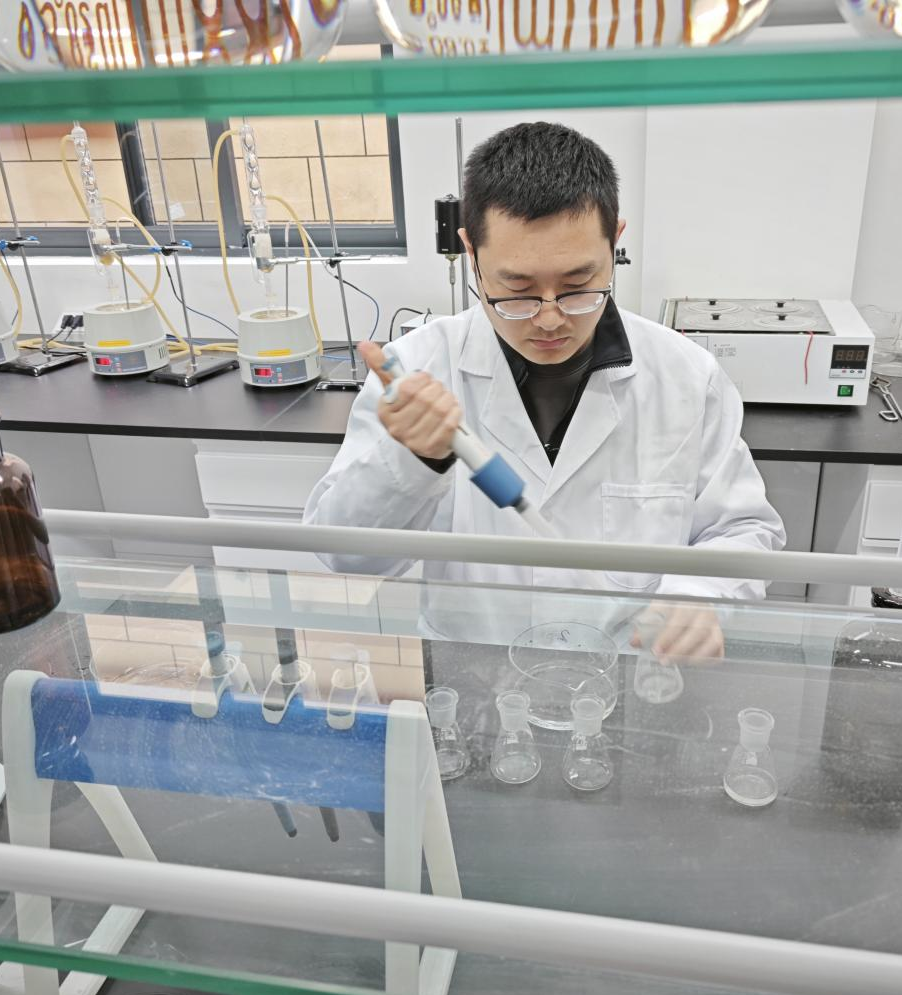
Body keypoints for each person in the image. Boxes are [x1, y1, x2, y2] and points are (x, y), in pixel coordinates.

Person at [305, 122, 784, 661]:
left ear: (615, 241)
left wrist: (700, 596)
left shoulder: (686, 377)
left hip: (625, 674)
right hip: (475, 673)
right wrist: (411, 461)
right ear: (470, 252)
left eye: (578, 285)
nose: (551, 318)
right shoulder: (418, 369)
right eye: (517, 289)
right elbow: (346, 556)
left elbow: (743, 527)